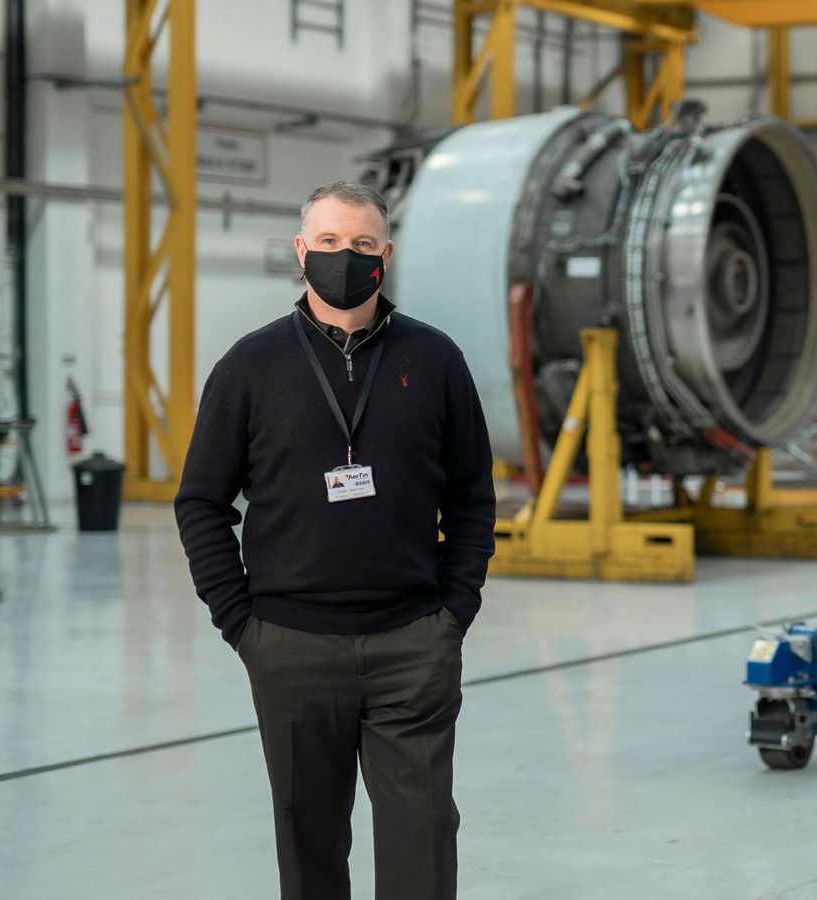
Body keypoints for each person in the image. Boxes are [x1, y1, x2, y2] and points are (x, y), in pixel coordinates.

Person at [174, 180, 497, 900]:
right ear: (300, 251)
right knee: (308, 845)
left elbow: (474, 496)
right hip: (290, 645)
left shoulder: (436, 360)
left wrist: (453, 614)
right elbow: (200, 501)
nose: (343, 257)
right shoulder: (250, 367)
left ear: (386, 254)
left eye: (360, 244)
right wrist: (242, 623)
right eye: (327, 242)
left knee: (423, 845)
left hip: (412, 642)